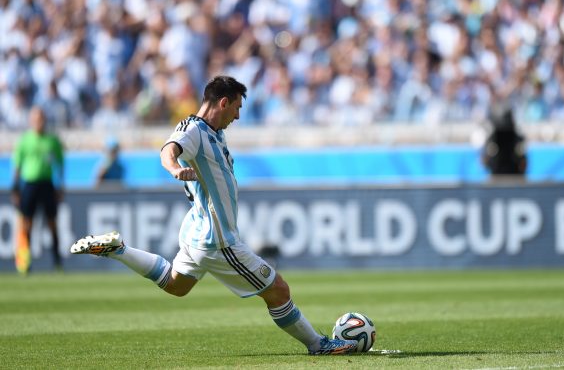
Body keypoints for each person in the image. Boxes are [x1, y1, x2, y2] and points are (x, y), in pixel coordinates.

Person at [70, 76, 357, 355]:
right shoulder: (194, 130)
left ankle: (119, 250)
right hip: (218, 240)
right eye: (237, 107)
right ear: (223, 102)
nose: (238, 115)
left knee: (176, 284)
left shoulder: (213, 133)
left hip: (197, 231)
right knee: (278, 290)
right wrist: (174, 169)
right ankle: (318, 345)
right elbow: (168, 150)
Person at [11, 107, 65, 274]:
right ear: (31, 121)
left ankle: (57, 261)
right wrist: (15, 187)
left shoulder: (52, 140)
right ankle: (25, 263)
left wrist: (60, 186)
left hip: (47, 184)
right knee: (27, 224)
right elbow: (18, 166)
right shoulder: (25, 140)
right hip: (29, 184)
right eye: (35, 118)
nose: (38, 122)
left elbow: (60, 164)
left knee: (52, 223)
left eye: (41, 118)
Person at [482, 105, 527, 178]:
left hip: (514, 178)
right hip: (497, 178)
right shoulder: (492, 140)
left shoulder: (517, 139)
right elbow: (485, 161)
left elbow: (523, 162)